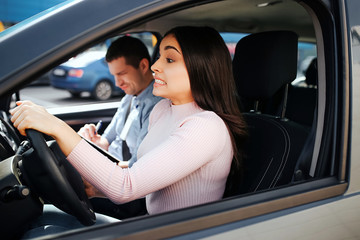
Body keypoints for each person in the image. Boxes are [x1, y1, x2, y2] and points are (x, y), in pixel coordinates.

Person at [10, 26, 247, 236]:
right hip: (152, 225)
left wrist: (57, 127)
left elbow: (126, 186)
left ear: (201, 66)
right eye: (159, 56)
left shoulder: (206, 127)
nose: (155, 66)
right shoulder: (164, 110)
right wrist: (95, 188)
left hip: (177, 233)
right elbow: (138, 169)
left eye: (170, 59)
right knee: (39, 222)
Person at [79, 36, 162, 219]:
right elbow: (106, 140)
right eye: (114, 75)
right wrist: (92, 141)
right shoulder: (129, 98)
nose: (117, 83)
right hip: (112, 172)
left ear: (143, 65)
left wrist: (97, 177)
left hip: (127, 191)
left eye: (122, 73)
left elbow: (137, 168)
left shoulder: (156, 106)